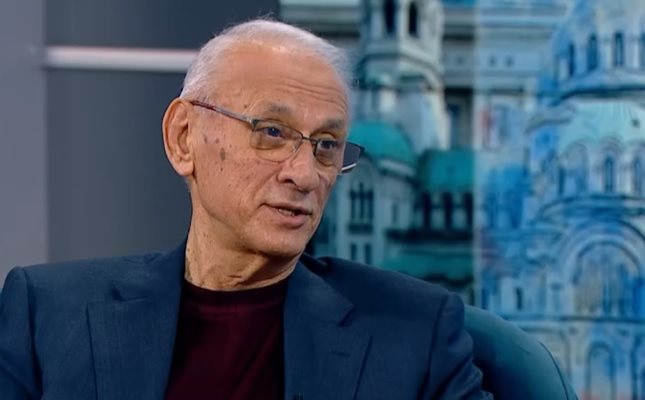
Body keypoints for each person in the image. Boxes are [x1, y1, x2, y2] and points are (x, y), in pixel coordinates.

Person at [0, 19, 492, 400]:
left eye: (326, 144)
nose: (304, 174)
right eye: (272, 132)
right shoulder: (48, 313)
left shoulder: (415, 332)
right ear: (184, 138)